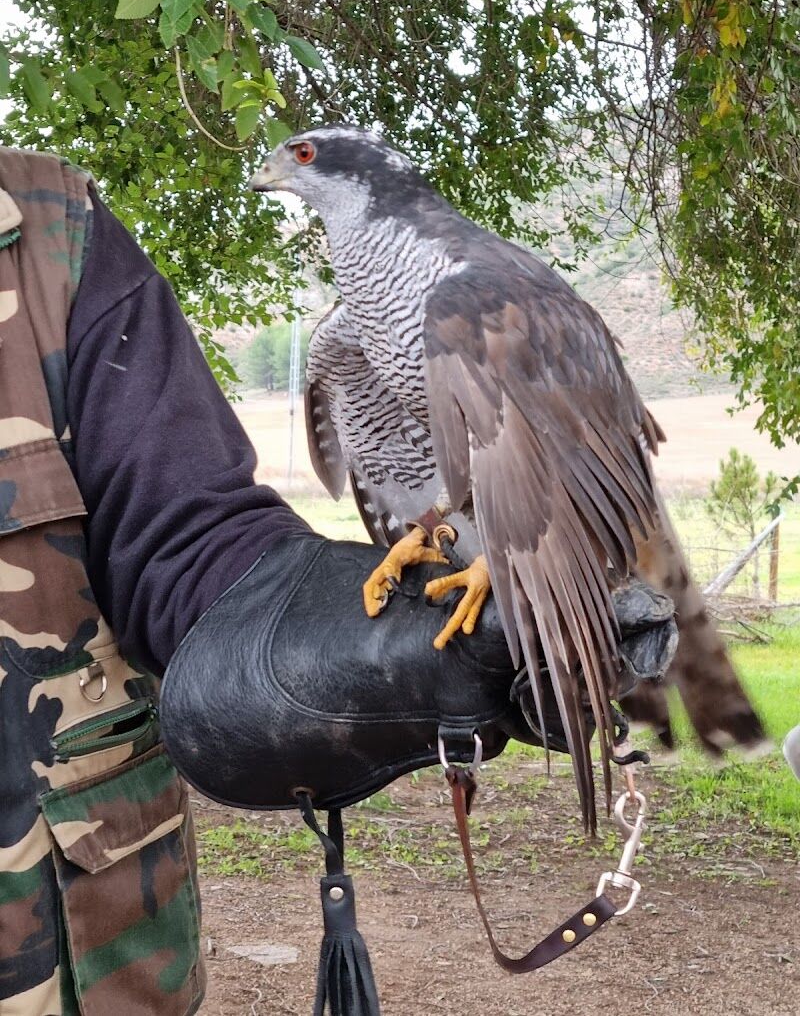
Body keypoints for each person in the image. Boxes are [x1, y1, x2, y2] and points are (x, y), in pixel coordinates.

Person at [0, 141, 677, 1016]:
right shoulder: (359, 323)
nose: (273, 167)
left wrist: (389, 643)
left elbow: (187, 546)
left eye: (303, 155)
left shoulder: (51, 231)